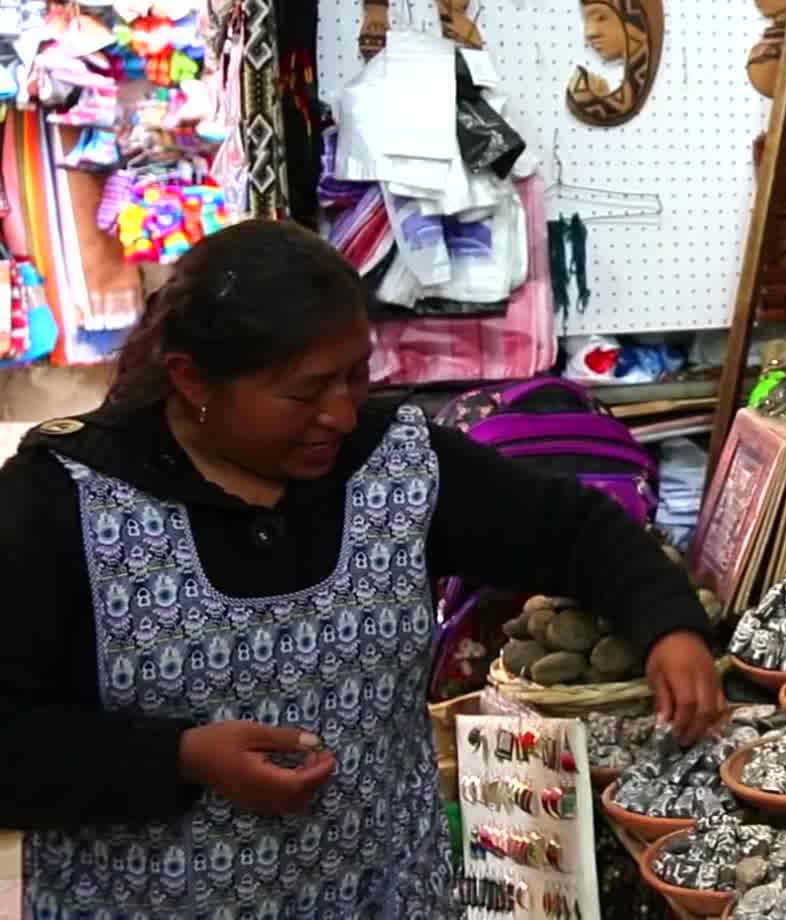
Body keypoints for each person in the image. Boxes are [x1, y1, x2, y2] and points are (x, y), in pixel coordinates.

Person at [0, 220, 725, 915]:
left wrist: (669, 626)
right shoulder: (61, 501)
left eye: (356, 377)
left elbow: (576, 532)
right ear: (192, 380)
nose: (342, 415)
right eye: (305, 393)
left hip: (382, 892)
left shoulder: (396, 467)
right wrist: (181, 758)